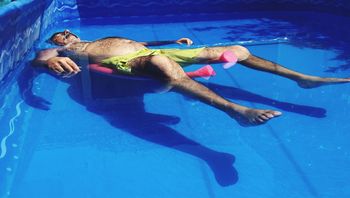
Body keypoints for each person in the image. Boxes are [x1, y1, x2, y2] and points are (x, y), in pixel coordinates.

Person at [33, 29, 350, 125]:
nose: (64, 35)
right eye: (59, 36)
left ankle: (301, 77)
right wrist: (48, 62)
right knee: (160, 63)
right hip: (126, 63)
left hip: (152, 50)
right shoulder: (63, 50)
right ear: (58, 41)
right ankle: (236, 110)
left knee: (236, 48)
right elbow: (40, 58)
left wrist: (170, 42)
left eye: (65, 32)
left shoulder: (99, 35)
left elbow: (140, 43)